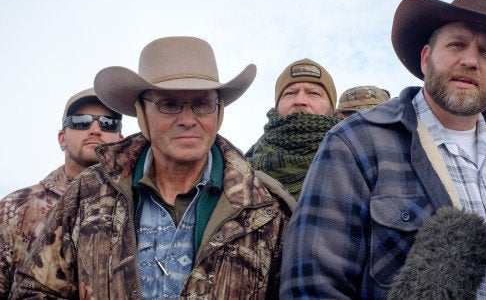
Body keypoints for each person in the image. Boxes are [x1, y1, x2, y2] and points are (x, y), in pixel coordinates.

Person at [280, 0, 486, 299]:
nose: (471, 60)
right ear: (426, 58)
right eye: (457, 44)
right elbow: (311, 288)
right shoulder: (354, 143)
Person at [11, 36, 293, 299]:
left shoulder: (266, 207)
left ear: (219, 112)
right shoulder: (88, 192)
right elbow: (34, 289)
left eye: (202, 104)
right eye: (169, 104)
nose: (187, 119)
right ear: (142, 113)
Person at [0, 88, 123, 298]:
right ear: (62, 138)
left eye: (108, 122)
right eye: (81, 121)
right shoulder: (15, 207)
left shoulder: (138, 203)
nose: (95, 129)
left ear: (121, 139)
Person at [245, 58, 343, 200]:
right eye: (290, 93)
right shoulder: (242, 168)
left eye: (313, 93)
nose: (300, 101)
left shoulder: (355, 159)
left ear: (332, 108)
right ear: (277, 106)